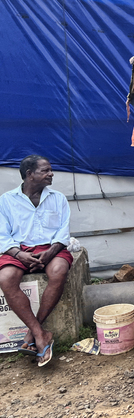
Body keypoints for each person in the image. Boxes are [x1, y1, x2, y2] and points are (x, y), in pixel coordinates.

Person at [0, 155, 72, 367]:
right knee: (6, 278)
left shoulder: (58, 198)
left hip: (51, 249)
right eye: (45, 170)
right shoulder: (6, 200)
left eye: (50, 170)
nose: (51, 174)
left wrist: (51, 252)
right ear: (29, 174)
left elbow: (63, 232)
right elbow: (2, 236)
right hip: (18, 250)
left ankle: (33, 334)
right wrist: (18, 254)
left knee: (59, 270)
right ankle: (40, 333)